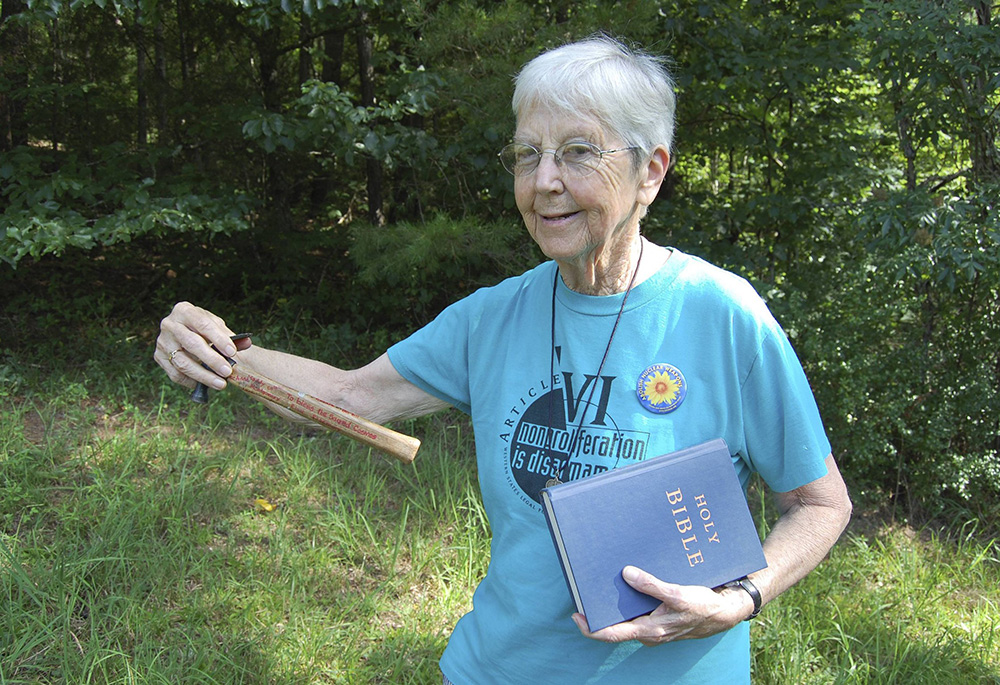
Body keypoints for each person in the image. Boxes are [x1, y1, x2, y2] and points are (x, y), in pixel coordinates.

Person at [155, 35, 852, 684]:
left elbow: (820, 503)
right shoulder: (492, 316)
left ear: (651, 172)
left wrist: (741, 597)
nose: (543, 180)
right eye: (528, 154)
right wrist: (224, 350)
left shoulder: (723, 316)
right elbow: (347, 397)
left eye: (578, 152)